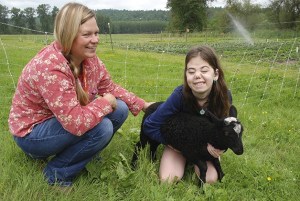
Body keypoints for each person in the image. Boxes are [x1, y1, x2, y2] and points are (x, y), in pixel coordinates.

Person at [8, 2, 151, 187]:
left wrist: (143, 104)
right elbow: (75, 122)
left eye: (96, 33)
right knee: (102, 127)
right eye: (87, 34)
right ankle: (56, 175)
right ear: (68, 35)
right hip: (33, 134)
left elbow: (109, 87)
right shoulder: (50, 67)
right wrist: (104, 104)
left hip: (59, 122)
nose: (95, 39)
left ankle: (83, 154)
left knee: (121, 108)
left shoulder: (88, 59)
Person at [143, 45, 233, 184]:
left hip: (204, 146)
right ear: (186, 75)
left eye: (204, 70)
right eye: (191, 71)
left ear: (215, 74)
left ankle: (193, 160)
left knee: (209, 179)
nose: (197, 75)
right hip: (180, 143)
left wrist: (219, 148)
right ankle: (182, 158)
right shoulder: (179, 96)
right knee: (168, 179)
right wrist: (176, 144)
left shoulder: (224, 96)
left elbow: (225, 131)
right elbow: (150, 125)